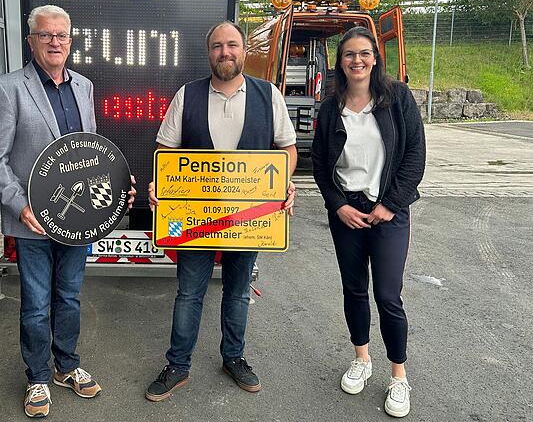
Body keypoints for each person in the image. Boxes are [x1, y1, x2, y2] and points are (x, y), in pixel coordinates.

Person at [0, 5, 136, 418]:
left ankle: (67, 365)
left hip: (77, 220)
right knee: (35, 303)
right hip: (32, 221)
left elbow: (92, 151)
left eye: (62, 35)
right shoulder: (8, 87)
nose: (55, 42)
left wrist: (118, 187)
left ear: (70, 41)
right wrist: (20, 205)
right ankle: (37, 377)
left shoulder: (84, 86)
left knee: (68, 297)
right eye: (46, 35)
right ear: (31, 41)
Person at [145, 21, 297, 402]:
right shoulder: (187, 95)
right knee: (189, 294)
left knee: (237, 292)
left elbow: (288, 150)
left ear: (244, 51)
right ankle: (178, 366)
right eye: (217, 46)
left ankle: (234, 358)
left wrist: (283, 182)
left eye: (232, 45)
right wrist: (160, 187)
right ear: (208, 52)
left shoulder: (269, 95)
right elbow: (165, 153)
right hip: (197, 221)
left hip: (251, 220)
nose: (225, 52)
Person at [311, 26, 426, 418]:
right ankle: (362, 358)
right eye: (348, 55)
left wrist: (390, 205)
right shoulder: (329, 108)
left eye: (363, 53)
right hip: (347, 213)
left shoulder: (398, 99)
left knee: (388, 296)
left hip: (389, 212)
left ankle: (398, 375)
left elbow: (414, 158)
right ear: (339, 63)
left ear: (375, 58)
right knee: (354, 290)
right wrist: (338, 205)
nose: (356, 61)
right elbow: (321, 168)